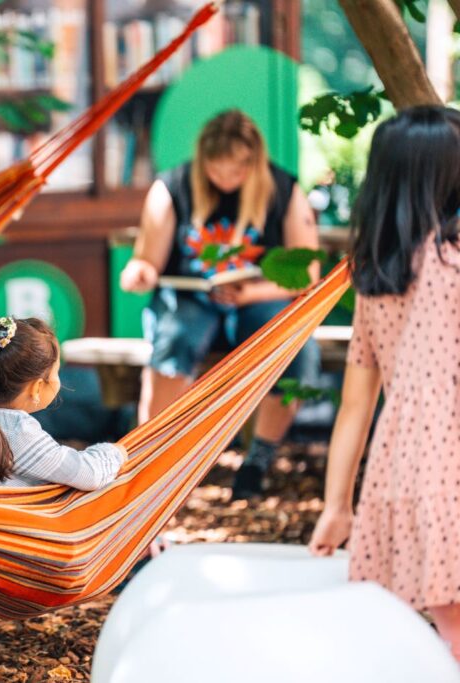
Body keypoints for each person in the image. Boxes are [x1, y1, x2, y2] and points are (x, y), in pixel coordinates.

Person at [308, 106, 460, 662]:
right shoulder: (452, 261)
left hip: (401, 474)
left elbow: (355, 406)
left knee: (447, 632)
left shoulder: (375, 277)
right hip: (451, 469)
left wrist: (337, 503)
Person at [118, 109, 320, 500]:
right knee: (177, 336)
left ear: (254, 162)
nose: (227, 181)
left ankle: (257, 462)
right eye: (217, 171)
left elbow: (308, 272)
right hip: (191, 297)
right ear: (202, 160)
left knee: (294, 346)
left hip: (259, 298)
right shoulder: (173, 186)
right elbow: (147, 261)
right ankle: (152, 460)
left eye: (237, 172)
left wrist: (251, 292)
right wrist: (139, 273)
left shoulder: (283, 188)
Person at [0, 316, 127, 489]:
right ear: (37, 387)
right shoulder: (17, 430)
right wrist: (114, 452)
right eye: (56, 373)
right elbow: (88, 475)